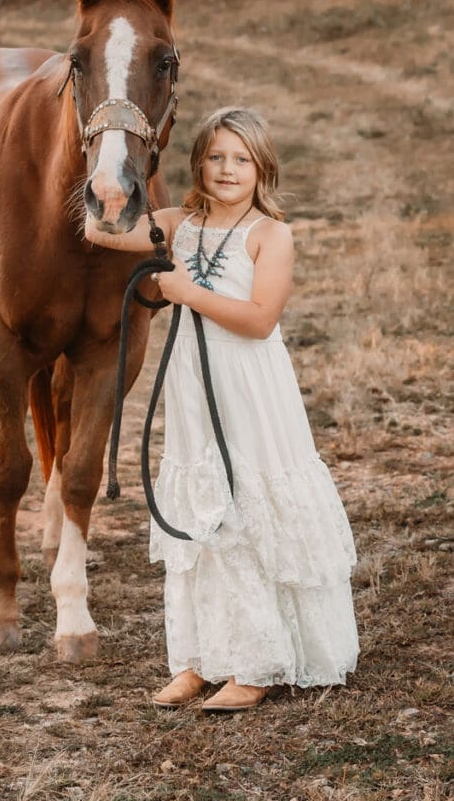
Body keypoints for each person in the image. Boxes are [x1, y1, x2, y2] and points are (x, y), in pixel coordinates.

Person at [84, 106, 358, 713]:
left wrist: (187, 293)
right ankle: (197, 659)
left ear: (262, 169)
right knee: (199, 506)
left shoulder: (270, 235)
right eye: (216, 157)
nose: (228, 169)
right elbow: (101, 232)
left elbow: (261, 321)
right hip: (191, 383)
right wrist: (110, 178)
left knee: (247, 501)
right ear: (198, 163)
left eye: (242, 159)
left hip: (249, 386)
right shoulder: (179, 224)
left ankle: (258, 662)